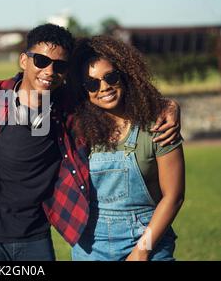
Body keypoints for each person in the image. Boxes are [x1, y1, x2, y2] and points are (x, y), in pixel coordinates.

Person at [0, 24, 181, 261]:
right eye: (41, 61)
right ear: (24, 60)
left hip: (36, 237)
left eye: (59, 65)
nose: (49, 70)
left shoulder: (68, 108)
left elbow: (117, 96)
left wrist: (166, 105)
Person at [69, 36, 185, 261]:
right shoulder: (78, 130)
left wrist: (143, 250)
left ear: (126, 75)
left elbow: (174, 197)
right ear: (83, 90)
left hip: (148, 240)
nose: (104, 87)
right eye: (92, 83)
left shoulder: (159, 125)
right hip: (91, 247)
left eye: (110, 77)